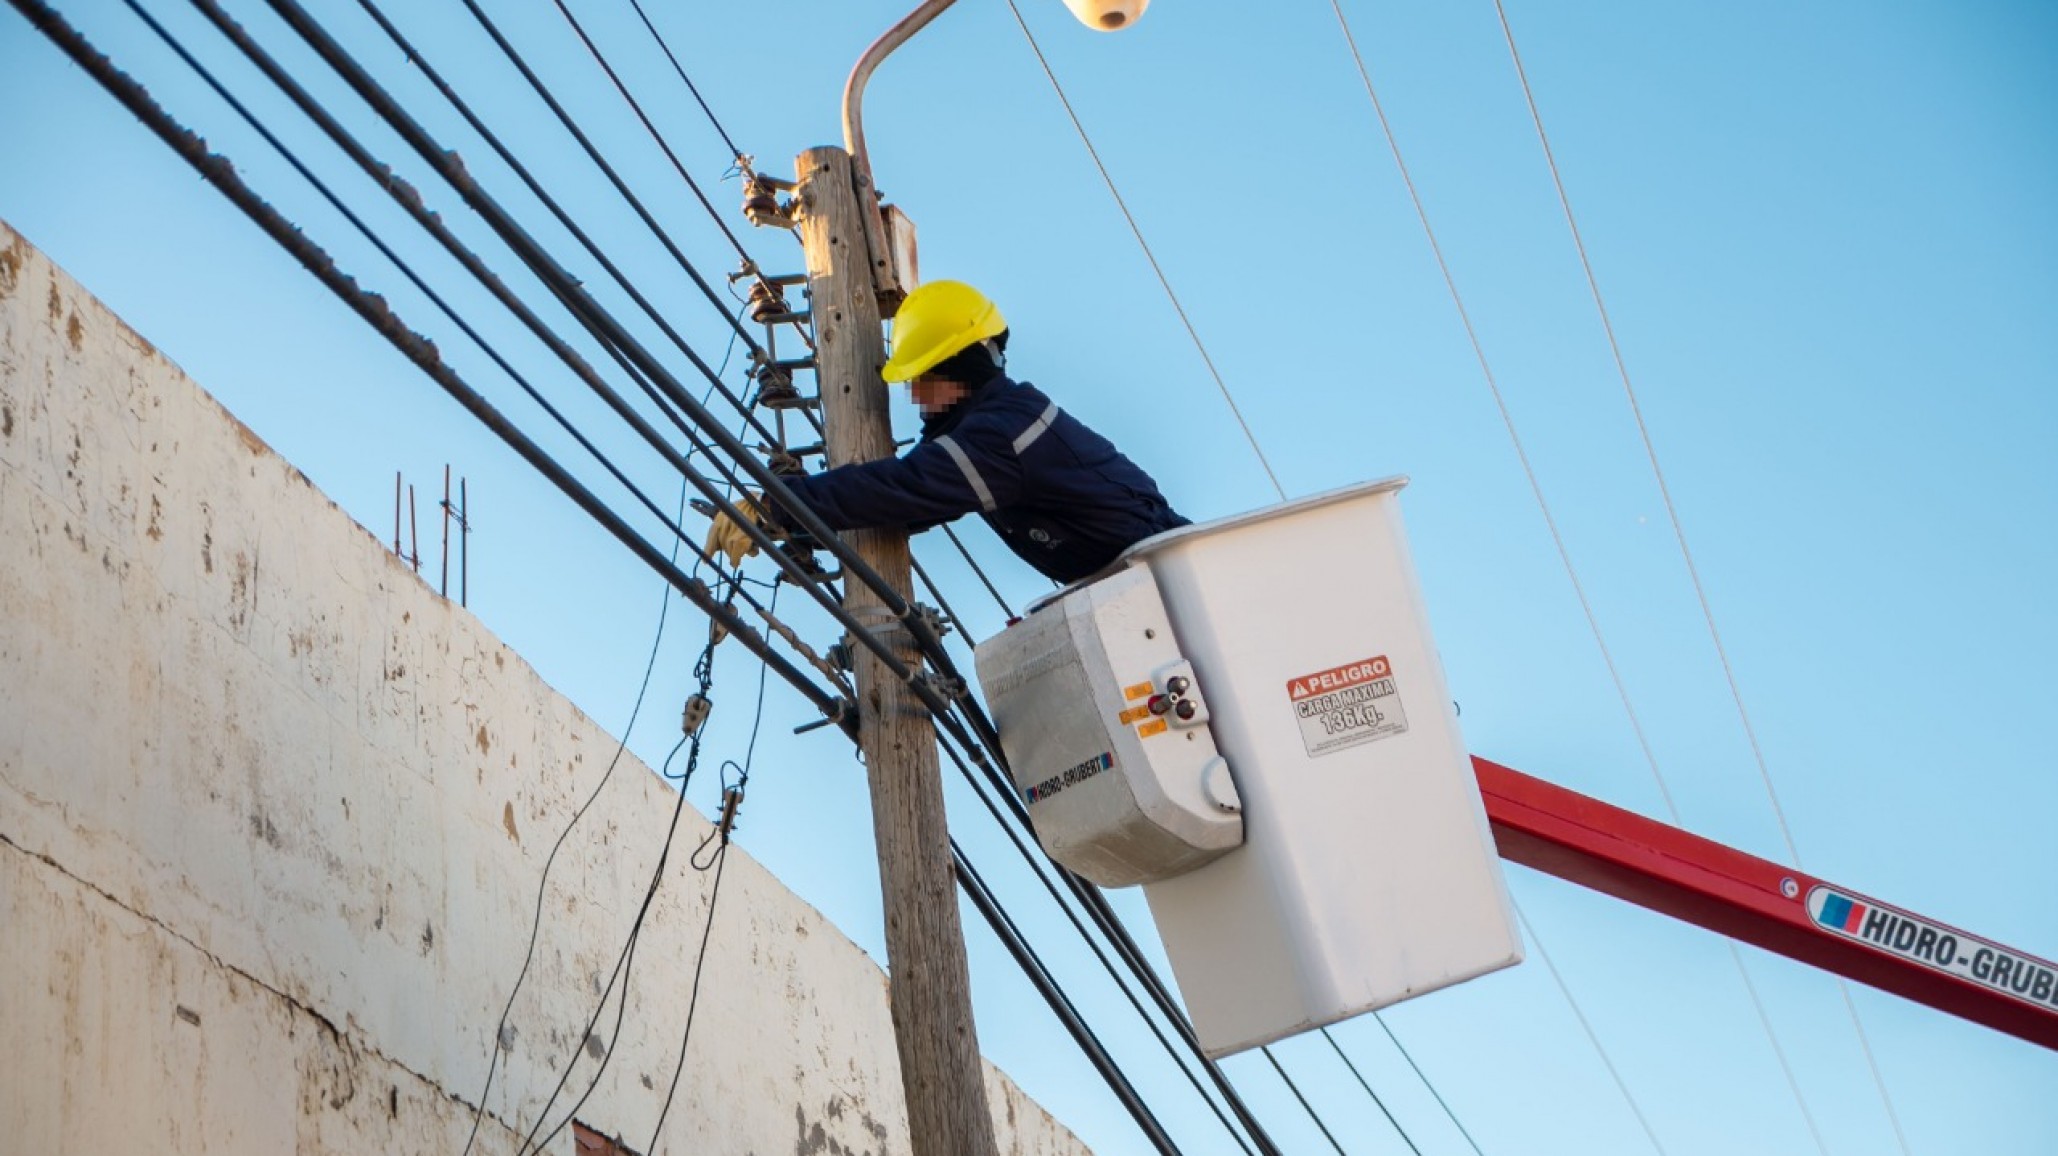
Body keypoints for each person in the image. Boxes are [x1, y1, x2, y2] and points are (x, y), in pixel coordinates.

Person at [708, 280, 1188, 585]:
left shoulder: (1002, 437)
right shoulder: (1001, 421)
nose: (916, 398)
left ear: (960, 370)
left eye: (923, 381)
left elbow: (906, 489)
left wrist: (777, 503)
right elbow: (911, 502)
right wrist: (804, 520)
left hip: (1166, 578)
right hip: (1141, 583)